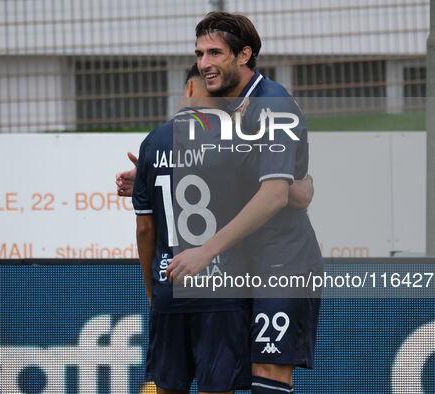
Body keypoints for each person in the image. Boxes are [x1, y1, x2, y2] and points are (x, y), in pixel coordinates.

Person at [166, 12, 323, 394]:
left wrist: (206, 251)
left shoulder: (272, 104)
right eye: (200, 53)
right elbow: (217, 171)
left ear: (244, 55)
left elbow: (274, 196)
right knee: (220, 372)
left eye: (215, 53)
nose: (204, 63)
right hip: (236, 257)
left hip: (281, 258)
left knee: (267, 368)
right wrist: (152, 176)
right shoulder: (219, 105)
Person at [132, 64, 252, 393]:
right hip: (223, 291)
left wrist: (152, 287)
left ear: (188, 89)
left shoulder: (153, 142)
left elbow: (145, 228)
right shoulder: (238, 141)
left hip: (170, 286)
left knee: (168, 388)